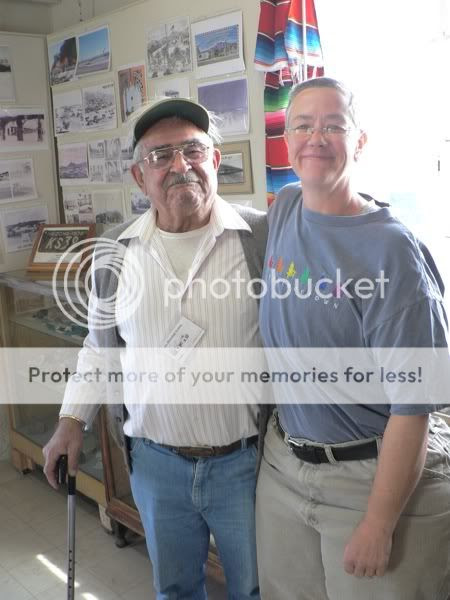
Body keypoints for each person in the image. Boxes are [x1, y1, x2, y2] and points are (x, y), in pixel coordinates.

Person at [43, 97, 269, 599]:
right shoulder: (115, 251)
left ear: (215, 159)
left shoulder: (260, 238)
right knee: (175, 590)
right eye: (160, 156)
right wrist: (70, 420)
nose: (179, 165)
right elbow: (99, 348)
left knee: (255, 590)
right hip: (155, 465)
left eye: (193, 150)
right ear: (138, 176)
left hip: (246, 466)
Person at [256, 77, 450, 600]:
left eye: (333, 126)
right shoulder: (285, 208)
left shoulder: (393, 252)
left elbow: (413, 408)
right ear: (287, 141)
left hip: (369, 477)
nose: (316, 138)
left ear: (359, 141)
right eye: (303, 125)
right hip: (283, 464)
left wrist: (379, 523)